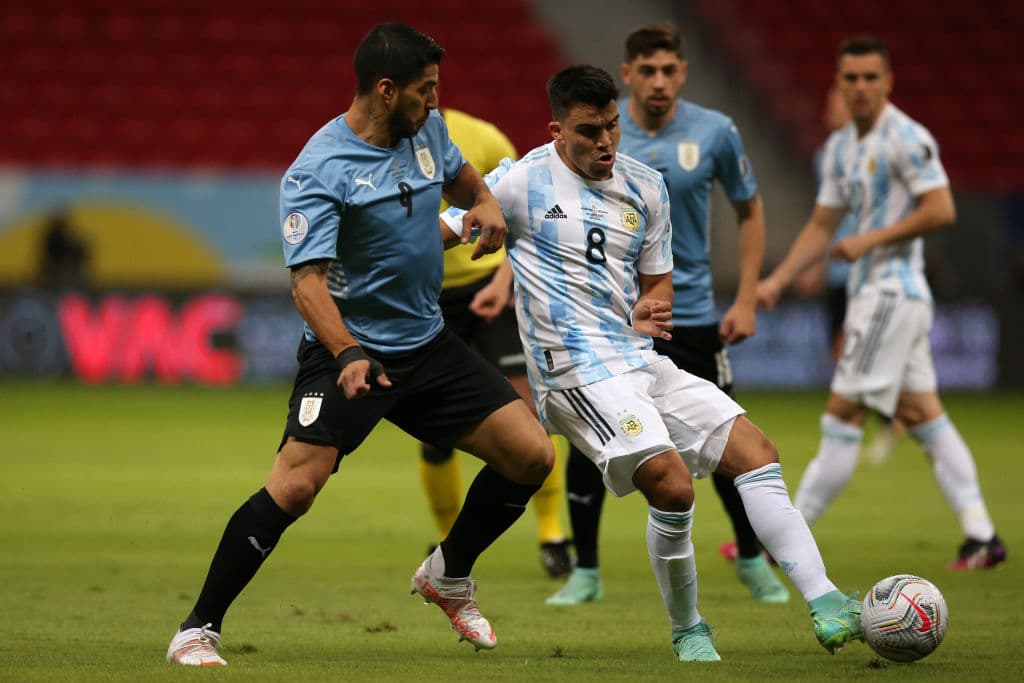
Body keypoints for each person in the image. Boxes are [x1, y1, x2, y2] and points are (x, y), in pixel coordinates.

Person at [442, 63, 863, 662]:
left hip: (638, 360)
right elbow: (447, 229)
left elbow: (656, 283)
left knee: (757, 454)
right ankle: (689, 629)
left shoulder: (645, 186)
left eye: (612, 126)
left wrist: (649, 307)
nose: (606, 142)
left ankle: (826, 603)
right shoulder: (518, 182)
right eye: (589, 131)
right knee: (670, 485)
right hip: (573, 375)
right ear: (556, 130)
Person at [165, 22, 555, 666]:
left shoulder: (425, 129)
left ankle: (448, 572)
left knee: (531, 456)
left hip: (428, 343)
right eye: (425, 90)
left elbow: (461, 177)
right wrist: (347, 353)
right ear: (385, 89)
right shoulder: (318, 170)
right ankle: (197, 627)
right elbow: (308, 286)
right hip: (352, 348)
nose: (435, 102)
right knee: (294, 489)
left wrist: (483, 200)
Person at [546, 22, 788, 608]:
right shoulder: (600, 133)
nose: (659, 81)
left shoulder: (715, 133)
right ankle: (587, 570)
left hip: (694, 315)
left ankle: (753, 559)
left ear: (683, 70)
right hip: (608, 324)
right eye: (646, 71)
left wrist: (749, 294)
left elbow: (750, 211)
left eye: (669, 69)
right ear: (627, 74)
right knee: (593, 443)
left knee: (726, 439)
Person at [756, 35, 1006, 571]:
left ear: (889, 81)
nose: (861, 87)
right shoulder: (844, 148)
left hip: (891, 293)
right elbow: (823, 222)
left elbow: (941, 208)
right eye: (852, 78)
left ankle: (787, 539)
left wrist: (870, 241)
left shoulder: (906, 138)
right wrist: (779, 278)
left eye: (871, 77)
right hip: (882, 296)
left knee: (842, 412)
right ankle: (982, 536)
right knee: (924, 416)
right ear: (840, 83)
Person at [418, 108, 572, 578]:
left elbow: (523, 213)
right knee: (434, 432)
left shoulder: (482, 136)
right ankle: (447, 540)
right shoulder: (386, 147)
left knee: (530, 415)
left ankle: (552, 532)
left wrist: (504, 281)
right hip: (429, 298)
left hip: (490, 289)